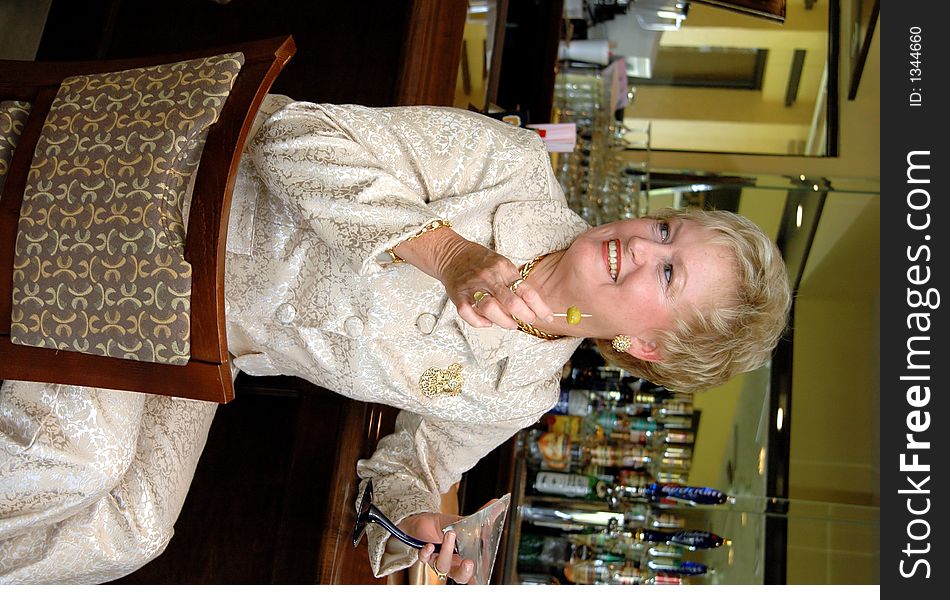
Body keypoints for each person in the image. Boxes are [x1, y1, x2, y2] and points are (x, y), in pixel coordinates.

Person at [0, 96, 790, 584]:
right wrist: (448, 253)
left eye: (667, 275)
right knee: (79, 459)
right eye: (665, 230)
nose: (641, 247)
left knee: (134, 531)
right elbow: (295, 135)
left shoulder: (521, 390)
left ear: (648, 349)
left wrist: (418, 522)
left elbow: (409, 467)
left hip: (196, 345)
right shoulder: (510, 169)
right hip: (169, 212)